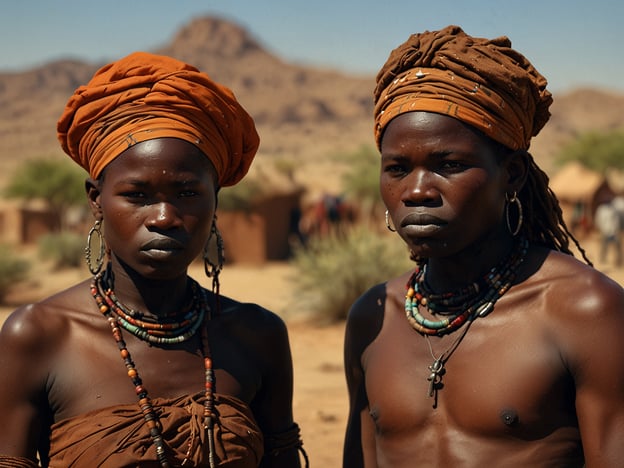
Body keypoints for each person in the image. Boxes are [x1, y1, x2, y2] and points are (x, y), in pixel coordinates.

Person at [0, 52, 307, 468]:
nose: (164, 218)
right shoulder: (39, 336)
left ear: (215, 201)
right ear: (96, 200)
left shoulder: (258, 335)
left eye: (187, 194)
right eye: (138, 195)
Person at [343, 26, 624, 467]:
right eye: (397, 168)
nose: (417, 191)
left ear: (511, 175)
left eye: (449, 165)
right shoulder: (374, 317)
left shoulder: (585, 310)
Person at [595, 199, 622, 266]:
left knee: (617, 247)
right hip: (605, 231)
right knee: (604, 246)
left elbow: (617, 220)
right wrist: (602, 229)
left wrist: (617, 229)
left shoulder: (614, 210)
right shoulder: (602, 210)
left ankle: (618, 260)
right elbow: (599, 220)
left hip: (614, 231)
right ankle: (602, 260)